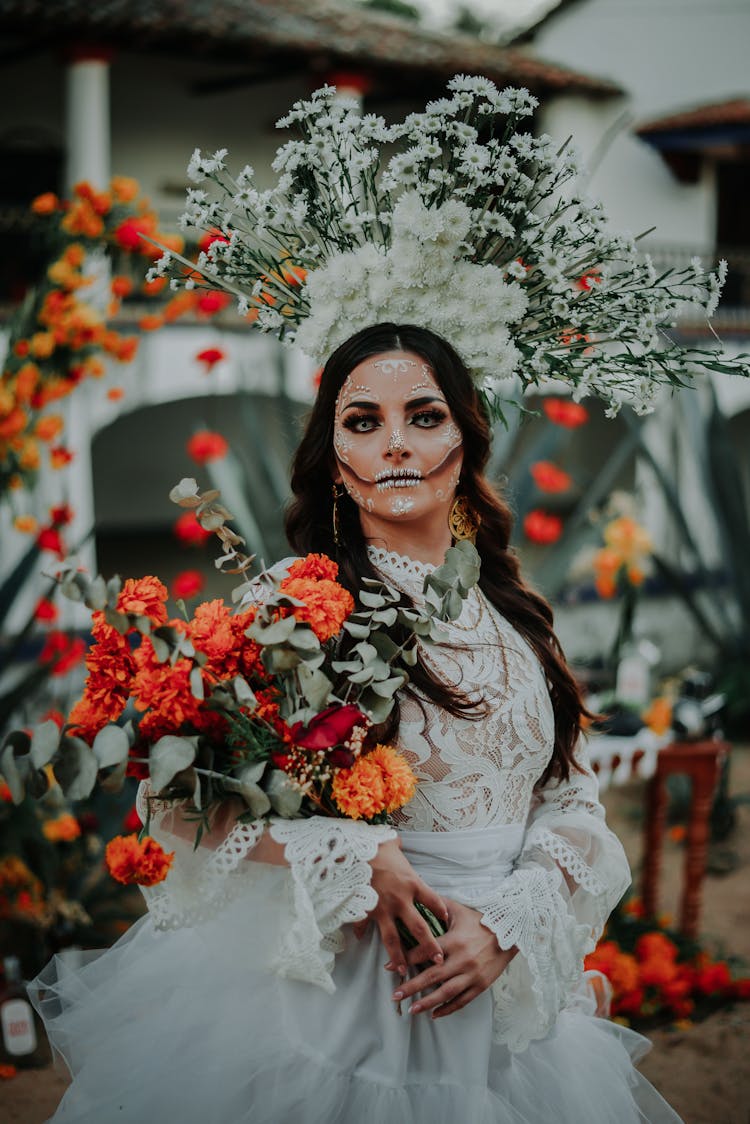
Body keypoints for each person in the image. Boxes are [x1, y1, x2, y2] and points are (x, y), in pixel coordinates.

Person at [31, 321, 684, 1123]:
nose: (398, 445)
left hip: (503, 1037)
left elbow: (572, 799)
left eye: (425, 415)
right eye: (364, 423)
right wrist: (348, 850)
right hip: (340, 1025)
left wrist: (512, 921)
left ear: (468, 439)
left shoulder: (519, 616)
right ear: (334, 460)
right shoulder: (290, 606)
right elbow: (181, 802)